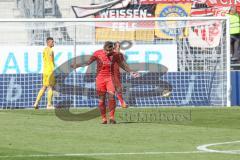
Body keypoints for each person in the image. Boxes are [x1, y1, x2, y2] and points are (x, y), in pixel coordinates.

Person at [71, 41, 139, 124]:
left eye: (110, 51)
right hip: (100, 78)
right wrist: (77, 65)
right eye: (107, 51)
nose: (108, 52)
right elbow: (88, 62)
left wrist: (130, 71)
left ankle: (112, 117)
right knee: (101, 100)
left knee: (111, 96)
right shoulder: (97, 53)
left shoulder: (116, 55)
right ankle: (104, 118)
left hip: (110, 78)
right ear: (104, 49)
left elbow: (122, 64)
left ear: (113, 49)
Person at [34, 37, 55, 110]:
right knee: (50, 87)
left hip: (45, 70)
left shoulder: (44, 50)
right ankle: (49, 105)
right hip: (50, 71)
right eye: (52, 42)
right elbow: (50, 59)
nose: (53, 43)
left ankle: (36, 103)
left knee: (44, 87)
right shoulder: (50, 50)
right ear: (48, 43)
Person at [113, 41, 128, 108]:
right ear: (114, 47)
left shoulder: (120, 55)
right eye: (117, 46)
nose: (119, 47)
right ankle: (122, 103)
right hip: (109, 73)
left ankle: (121, 103)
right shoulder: (110, 54)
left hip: (117, 73)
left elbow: (123, 64)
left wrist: (130, 71)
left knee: (118, 88)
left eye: (119, 46)